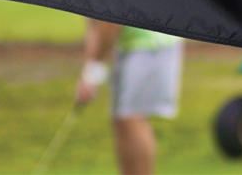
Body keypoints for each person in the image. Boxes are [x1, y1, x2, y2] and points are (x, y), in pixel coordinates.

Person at [75, 19, 183, 175]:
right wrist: (91, 68)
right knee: (122, 119)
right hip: (132, 45)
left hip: (148, 43)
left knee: (131, 118)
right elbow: (95, 23)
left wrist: (92, 71)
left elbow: (109, 22)